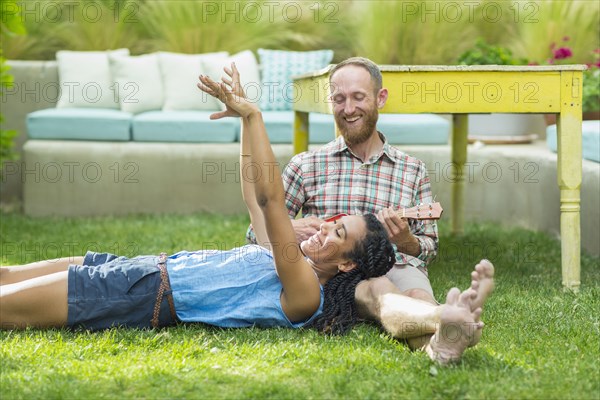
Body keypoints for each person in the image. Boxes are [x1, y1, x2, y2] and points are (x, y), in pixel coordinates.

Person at [0, 64, 494, 364]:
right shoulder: (294, 257)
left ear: (345, 265)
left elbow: (271, 202)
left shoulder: (303, 290)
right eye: (330, 221)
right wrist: (242, 121)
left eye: (336, 231)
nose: (323, 226)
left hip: (143, 293)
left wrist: (256, 116)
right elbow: (252, 195)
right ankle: (439, 325)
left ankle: (439, 327)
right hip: (144, 268)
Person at [246, 56, 493, 351]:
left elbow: (428, 249)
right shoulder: (306, 164)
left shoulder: (412, 169)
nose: (348, 109)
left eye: (358, 97)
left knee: (416, 294)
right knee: (384, 296)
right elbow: (256, 234)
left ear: (381, 98)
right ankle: (455, 320)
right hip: (331, 273)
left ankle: (441, 344)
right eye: (339, 99)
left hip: (393, 264)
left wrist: (405, 240)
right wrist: (292, 226)